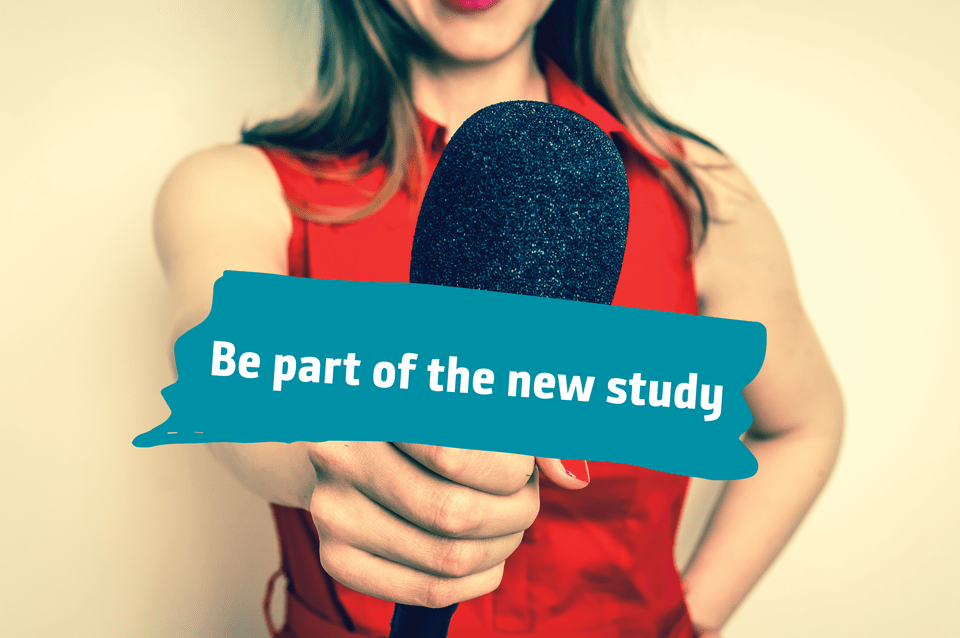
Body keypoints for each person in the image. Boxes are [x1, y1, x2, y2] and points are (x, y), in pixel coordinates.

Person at [153, 1, 844, 636]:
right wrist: (325, 461)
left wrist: (696, 619)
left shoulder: (699, 196)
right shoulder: (238, 187)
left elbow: (805, 424)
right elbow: (220, 363)